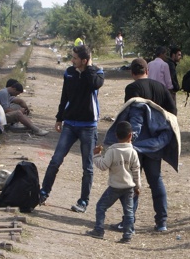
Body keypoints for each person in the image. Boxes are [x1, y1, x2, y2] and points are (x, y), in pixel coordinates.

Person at [109, 58, 176, 233]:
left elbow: (129, 116)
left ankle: (128, 221)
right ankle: (161, 222)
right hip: (155, 145)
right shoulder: (160, 87)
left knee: (131, 184)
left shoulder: (131, 89)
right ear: (147, 70)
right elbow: (172, 113)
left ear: (132, 73)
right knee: (156, 181)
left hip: (136, 145)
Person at [40, 45, 105, 213]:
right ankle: (43, 193)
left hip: (88, 127)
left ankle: (83, 201)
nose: (72, 60)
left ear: (84, 60)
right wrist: (59, 118)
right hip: (70, 124)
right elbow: (65, 96)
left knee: (87, 167)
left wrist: (88, 67)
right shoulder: (69, 72)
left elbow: (93, 85)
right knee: (56, 160)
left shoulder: (97, 73)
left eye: (75, 58)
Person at [85, 121, 140, 244]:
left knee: (101, 207)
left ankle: (99, 230)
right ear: (130, 135)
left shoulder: (112, 151)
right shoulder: (133, 152)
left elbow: (103, 166)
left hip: (115, 187)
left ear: (116, 135)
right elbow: (136, 171)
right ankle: (127, 235)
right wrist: (138, 186)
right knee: (129, 212)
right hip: (129, 187)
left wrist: (96, 155)